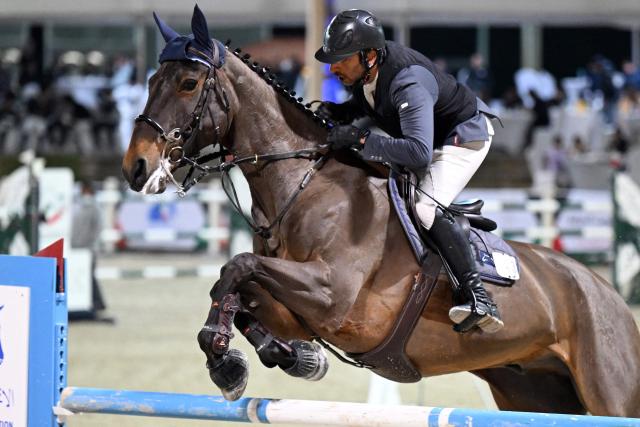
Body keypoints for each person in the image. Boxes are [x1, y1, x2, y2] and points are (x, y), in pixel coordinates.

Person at [314, 9, 502, 333]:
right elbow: (372, 106)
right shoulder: (364, 74)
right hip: (426, 136)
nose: (333, 67)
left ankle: (477, 295)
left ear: (369, 55)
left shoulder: (407, 81)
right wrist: (340, 112)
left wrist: (360, 138)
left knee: (424, 206)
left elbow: (417, 153)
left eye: (341, 59)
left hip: (462, 136)